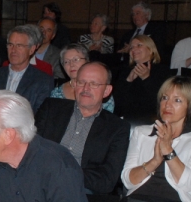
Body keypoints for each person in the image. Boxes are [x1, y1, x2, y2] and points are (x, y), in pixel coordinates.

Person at [121, 76, 191, 202]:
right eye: (164, 98)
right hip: (139, 201)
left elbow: (189, 183)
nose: (167, 105)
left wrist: (168, 151)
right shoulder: (141, 132)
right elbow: (128, 181)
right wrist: (154, 161)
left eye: (177, 100)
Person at [36, 62, 130, 194]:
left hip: (80, 191)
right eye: (81, 82)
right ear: (74, 85)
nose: (86, 88)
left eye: (94, 84)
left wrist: (63, 173)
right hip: (38, 182)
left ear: (107, 91)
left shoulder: (117, 128)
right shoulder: (51, 107)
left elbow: (107, 180)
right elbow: (30, 150)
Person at [0, 25, 53, 111]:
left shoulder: (43, 81)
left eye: (19, 46)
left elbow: (40, 114)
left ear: (31, 49)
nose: (13, 50)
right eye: (10, 45)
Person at [114, 35, 172, 118]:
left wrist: (146, 78)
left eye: (139, 45)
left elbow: (161, 100)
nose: (134, 49)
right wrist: (128, 81)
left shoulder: (162, 71)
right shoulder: (125, 70)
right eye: (131, 47)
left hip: (150, 119)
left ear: (150, 50)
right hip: (125, 118)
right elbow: (116, 101)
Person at [50, 43, 114, 113]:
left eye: (76, 59)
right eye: (66, 62)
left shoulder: (100, 90)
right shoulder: (56, 93)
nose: (71, 64)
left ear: (87, 61)